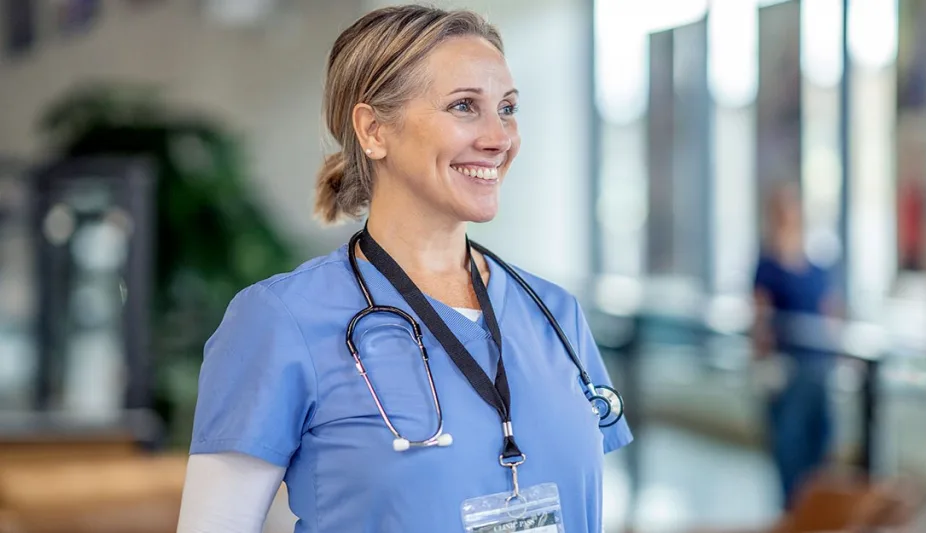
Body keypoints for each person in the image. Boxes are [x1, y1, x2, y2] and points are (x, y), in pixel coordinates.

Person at [175, 5, 632, 533]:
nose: (499, 136)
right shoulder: (281, 320)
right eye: (465, 106)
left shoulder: (554, 313)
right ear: (373, 130)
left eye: (507, 108)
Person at [752, 182, 841, 511]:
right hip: (788, 370)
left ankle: (816, 513)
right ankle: (793, 514)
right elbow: (760, 319)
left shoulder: (816, 266)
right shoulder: (768, 267)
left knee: (820, 445)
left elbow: (830, 313)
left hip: (819, 368)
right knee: (790, 448)